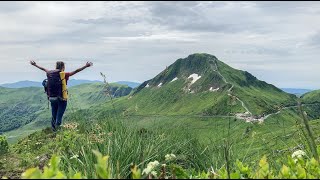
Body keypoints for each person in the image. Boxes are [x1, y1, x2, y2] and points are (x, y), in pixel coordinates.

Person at [30, 60, 93, 131]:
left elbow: (43, 69)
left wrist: (35, 65)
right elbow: (76, 71)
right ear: (63, 67)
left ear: (56, 66)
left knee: (54, 115)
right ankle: (58, 131)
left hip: (52, 98)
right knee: (59, 116)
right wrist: (86, 66)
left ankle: (53, 130)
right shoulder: (64, 74)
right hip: (61, 99)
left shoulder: (49, 72)